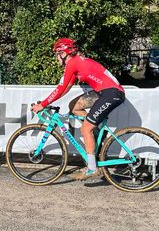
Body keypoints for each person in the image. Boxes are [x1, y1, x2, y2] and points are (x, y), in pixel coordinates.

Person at [31, 38, 125, 180]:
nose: (57, 57)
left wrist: (42, 105)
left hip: (111, 93)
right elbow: (65, 88)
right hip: (105, 92)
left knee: (85, 129)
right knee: (74, 106)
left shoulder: (73, 63)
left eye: (57, 54)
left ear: (63, 53)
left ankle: (93, 168)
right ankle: (95, 132)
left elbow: (61, 88)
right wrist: (45, 102)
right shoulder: (76, 64)